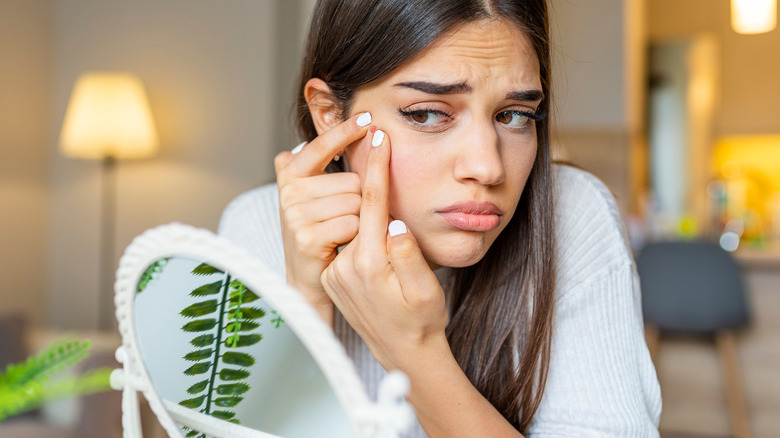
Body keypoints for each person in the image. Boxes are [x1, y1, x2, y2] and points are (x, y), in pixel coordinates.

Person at [219, 0, 662, 436]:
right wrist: (305, 308)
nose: (488, 168)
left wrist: (414, 351)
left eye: (514, 116)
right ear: (331, 114)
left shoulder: (571, 213)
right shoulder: (256, 227)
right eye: (427, 114)